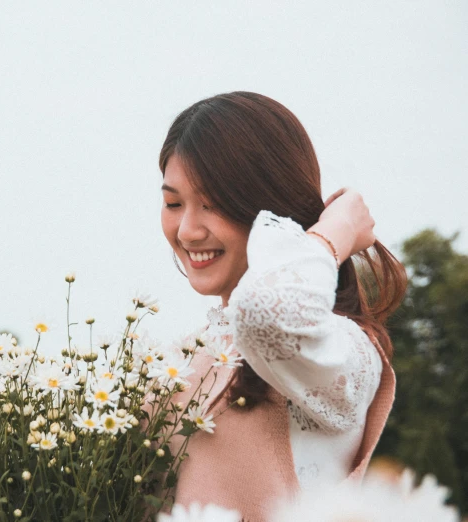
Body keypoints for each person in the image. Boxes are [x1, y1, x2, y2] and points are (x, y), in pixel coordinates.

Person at [157, 91, 407, 521]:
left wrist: (335, 232)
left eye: (212, 203)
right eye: (174, 203)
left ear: (269, 206)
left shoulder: (335, 347)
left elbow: (267, 313)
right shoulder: (179, 360)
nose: (187, 230)